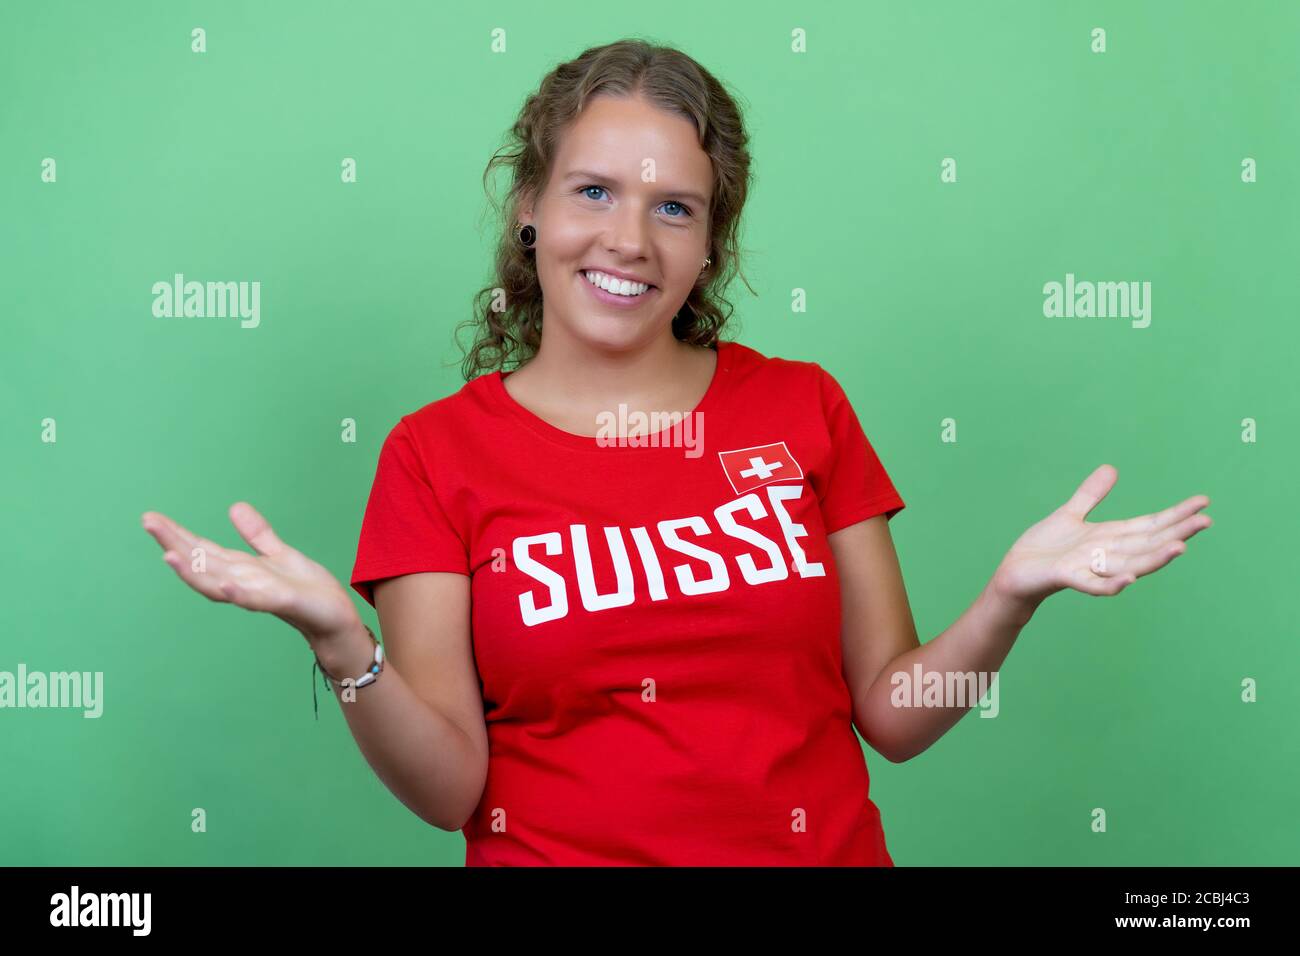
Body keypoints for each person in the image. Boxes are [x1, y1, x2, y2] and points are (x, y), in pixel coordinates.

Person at [141, 39, 1212, 866]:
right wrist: (339, 637)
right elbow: (451, 789)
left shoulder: (803, 407)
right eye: (593, 190)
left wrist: (1008, 597)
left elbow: (892, 713)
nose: (628, 240)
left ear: (710, 245)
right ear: (530, 211)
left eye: (673, 208)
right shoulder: (436, 454)